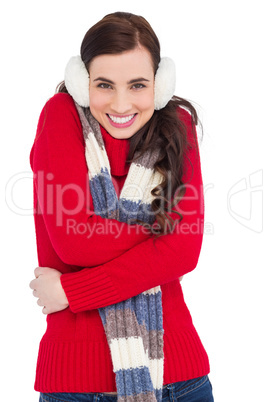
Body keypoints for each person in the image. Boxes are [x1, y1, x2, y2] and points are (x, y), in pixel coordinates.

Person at [29, 11, 214, 402]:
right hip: (79, 385)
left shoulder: (178, 127)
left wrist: (71, 290)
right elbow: (74, 241)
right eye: (104, 85)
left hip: (182, 381)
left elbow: (185, 251)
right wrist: (163, 236)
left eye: (137, 85)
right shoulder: (60, 117)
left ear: (160, 86)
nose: (121, 102)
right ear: (82, 84)